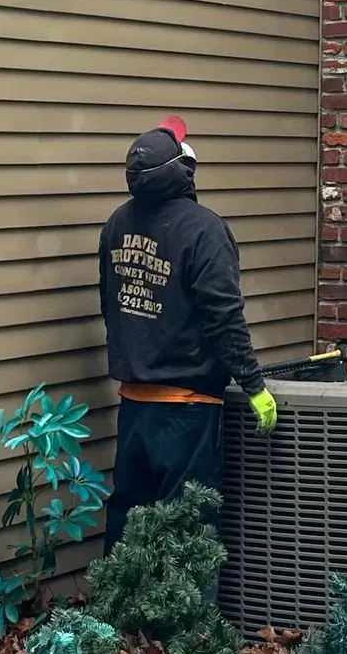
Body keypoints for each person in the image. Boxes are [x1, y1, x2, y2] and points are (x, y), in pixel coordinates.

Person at [98, 117, 277, 550]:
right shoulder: (203, 229)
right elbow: (223, 316)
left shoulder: (116, 225)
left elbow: (111, 304)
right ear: (185, 170)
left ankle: (114, 618)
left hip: (134, 406)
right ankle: (185, 622)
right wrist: (254, 385)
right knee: (187, 538)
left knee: (128, 528)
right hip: (187, 411)